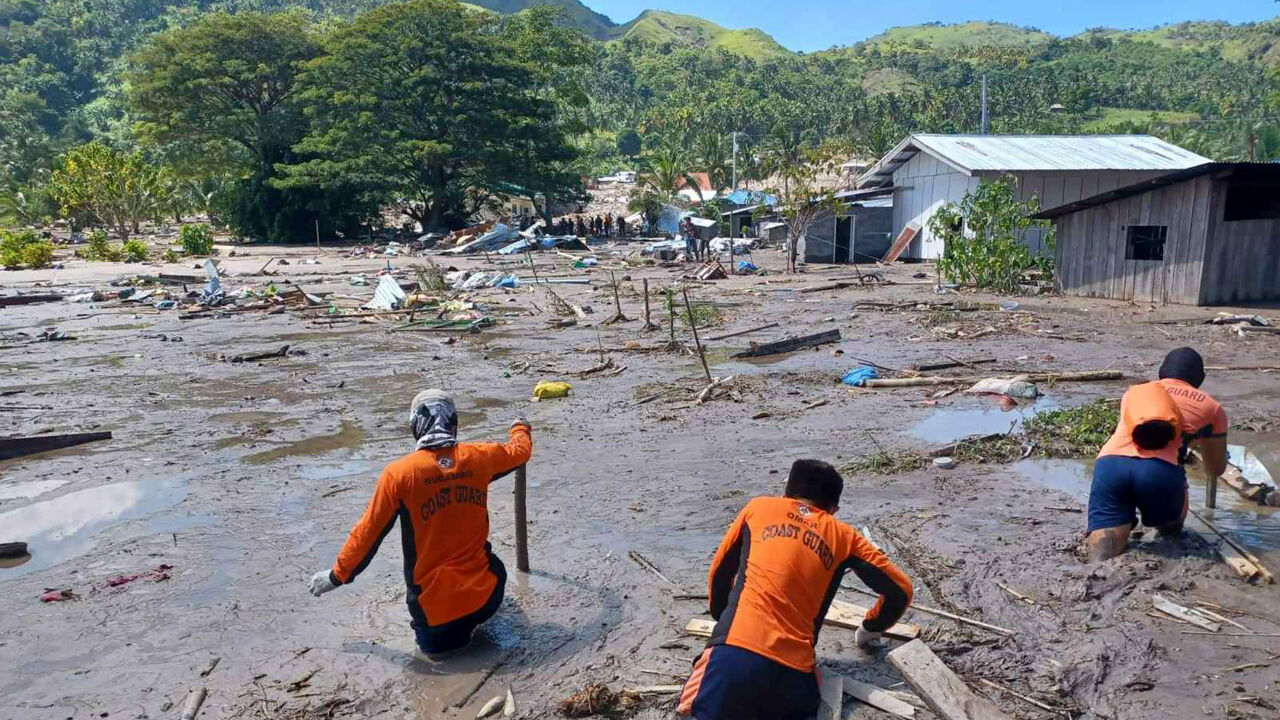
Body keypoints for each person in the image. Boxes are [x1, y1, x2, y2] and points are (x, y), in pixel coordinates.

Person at [678, 459, 913, 720]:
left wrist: (723, 621)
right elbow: (900, 591)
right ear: (833, 509)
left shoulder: (758, 509)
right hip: (793, 678)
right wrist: (869, 629)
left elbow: (719, 573)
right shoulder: (845, 537)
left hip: (732, 660)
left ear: (785, 494)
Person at [307, 390, 532, 656]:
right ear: (453, 423)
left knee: (438, 661)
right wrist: (519, 426)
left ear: (415, 425)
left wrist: (336, 576)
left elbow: (367, 535)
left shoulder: (399, 475)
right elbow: (520, 451)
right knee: (493, 566)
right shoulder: (479, 458)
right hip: (486, 597)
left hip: (435, 619)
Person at [1086, 348, 1228, 561]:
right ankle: (1166, 533)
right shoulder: (1212, 407)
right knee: (1171, 528)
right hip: (1159, 472)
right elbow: (1215, 468)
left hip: (1110, 465)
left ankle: (1097, 564)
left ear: (1162, 372)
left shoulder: (1135, 393)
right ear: (1200, 378)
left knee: (1105, 546)